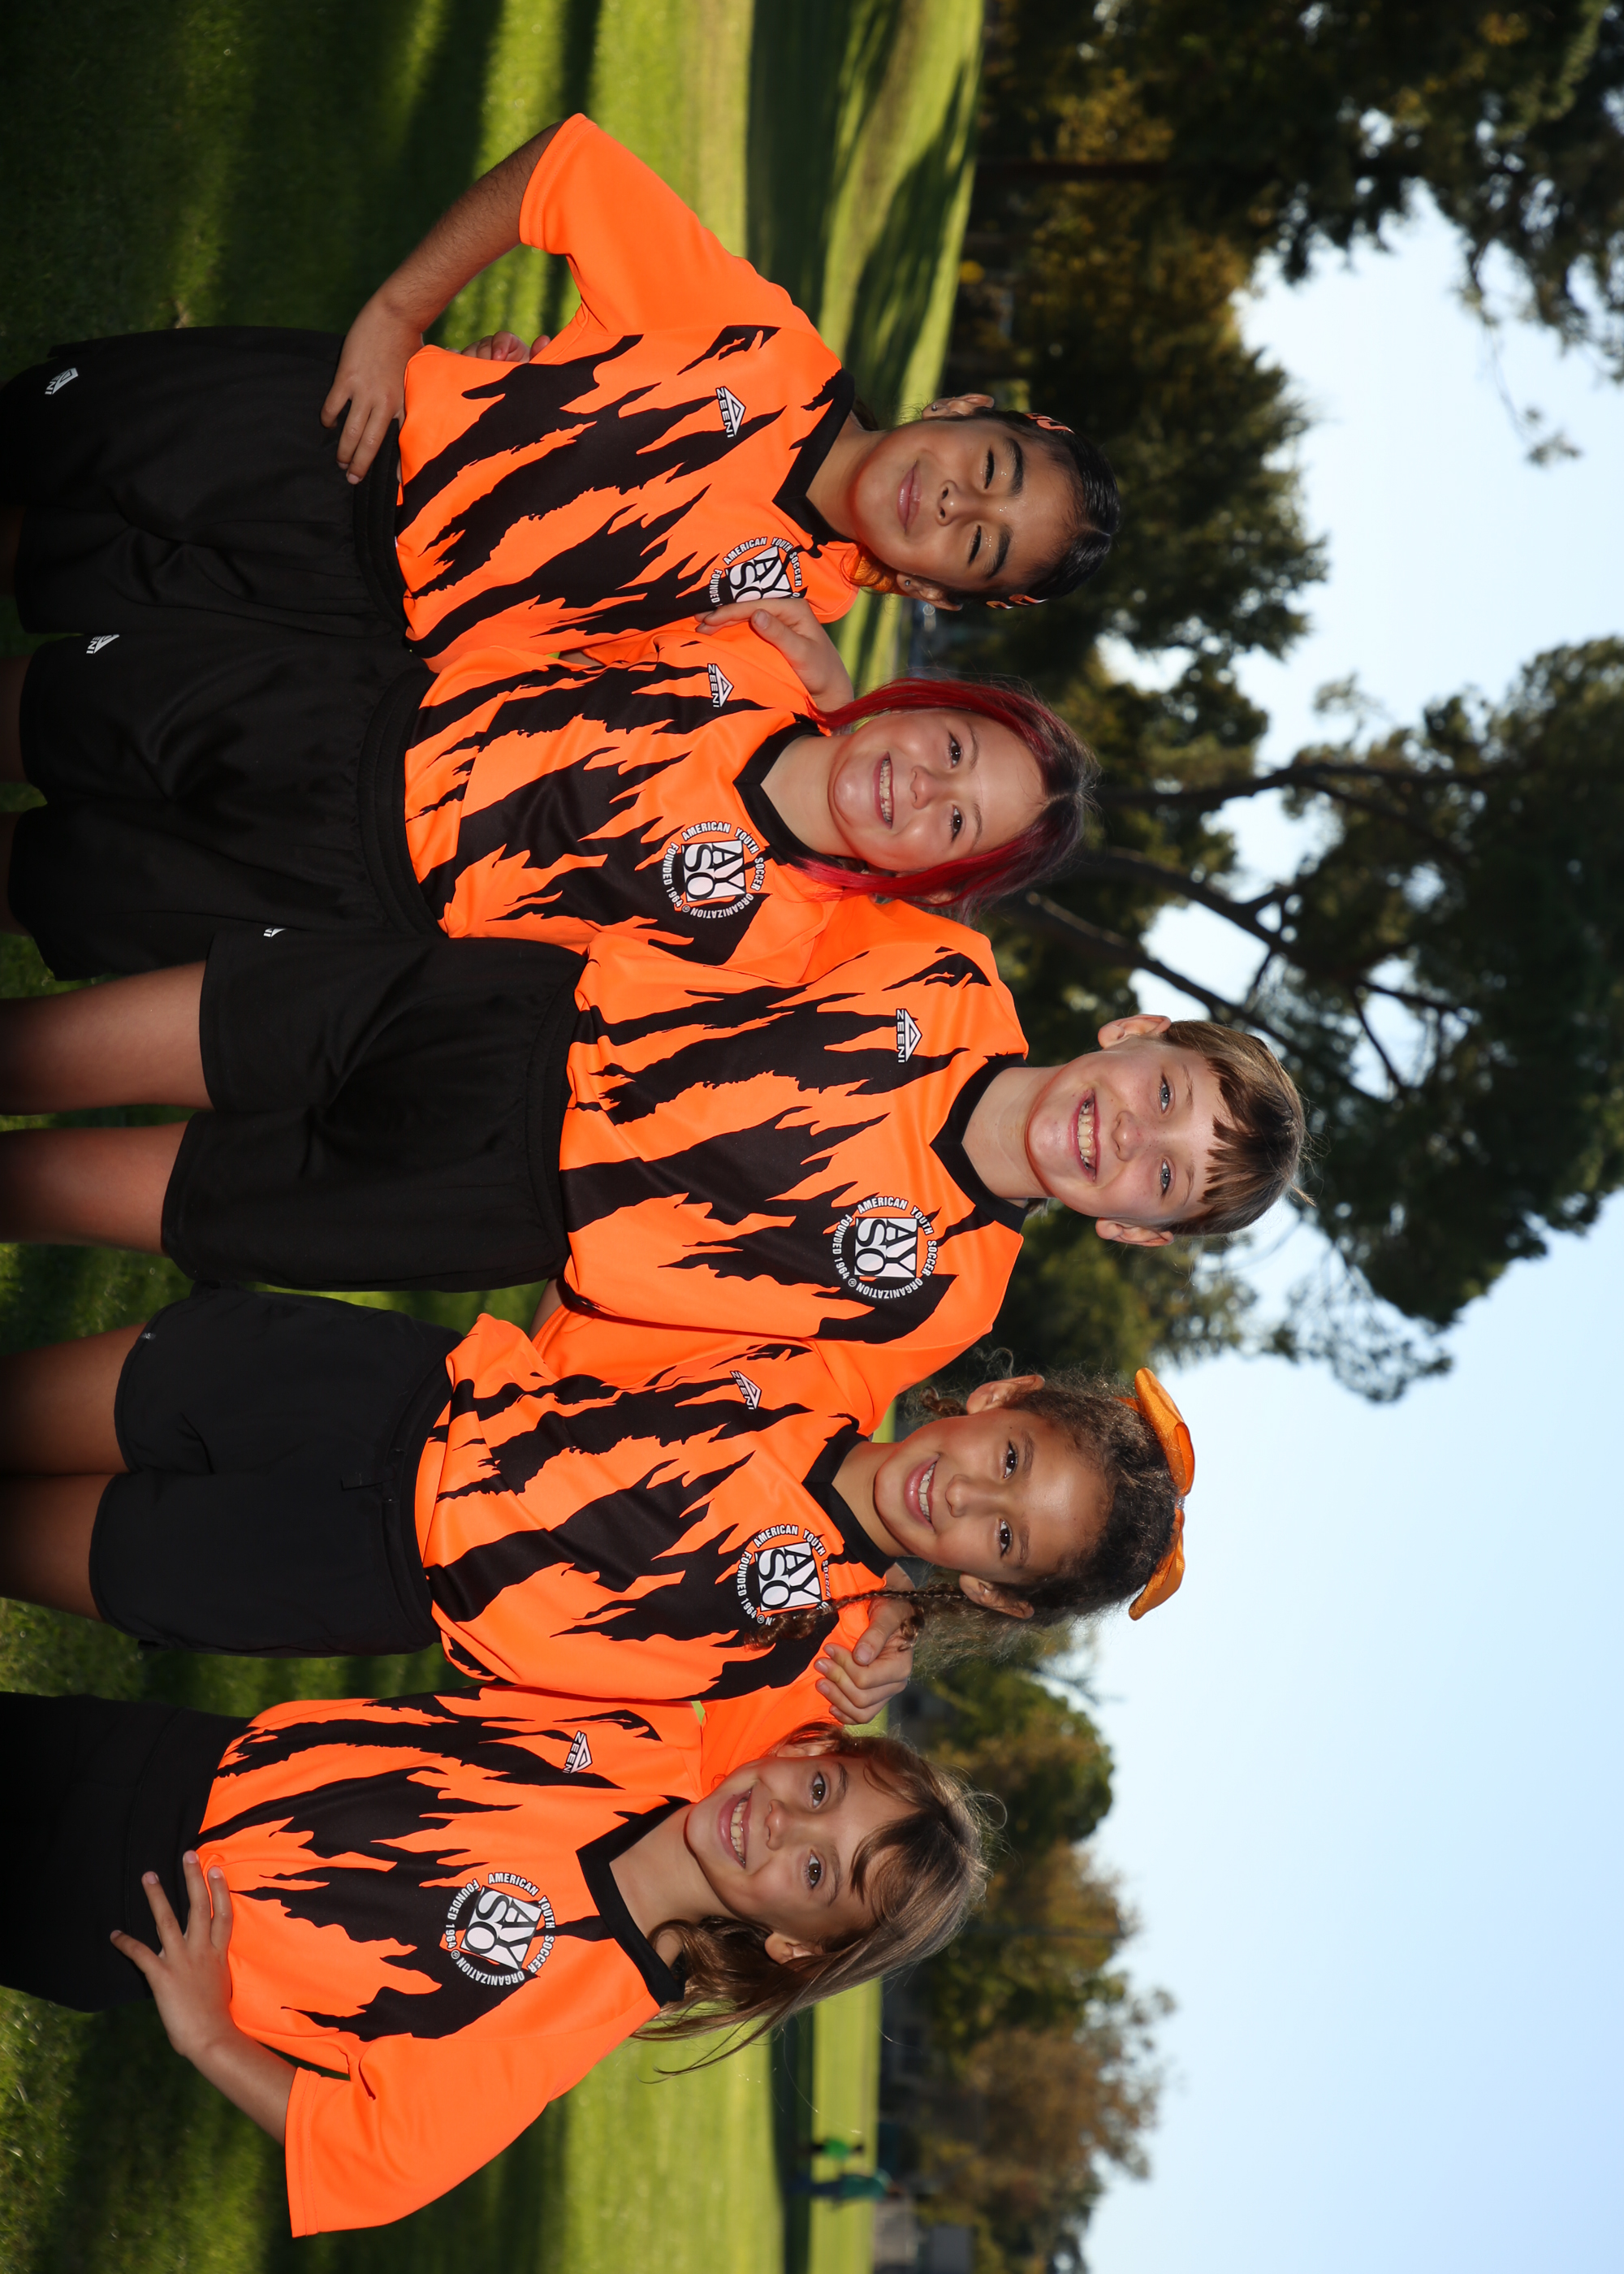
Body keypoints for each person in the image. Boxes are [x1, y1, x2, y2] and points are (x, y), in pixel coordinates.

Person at [0, 904, 1305, 1417]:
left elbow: (767, 1412)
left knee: (65, 1190)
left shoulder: (946, 1299)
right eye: (1167, 1095)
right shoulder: (946, 968)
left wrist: (852, 1638)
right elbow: (736, 887)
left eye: (1164, 1178)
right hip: (501, 1017)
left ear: (1134, 1230)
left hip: (485, 1210)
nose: (1133, 1136)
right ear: (1132, 1033)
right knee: (48, 1053)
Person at [0, 117, 1120, 671]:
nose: (956, 504)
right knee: (50, 439)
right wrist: (398, 314)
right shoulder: (767, 344)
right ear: (961, 414)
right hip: (345, 436)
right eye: (990, 471)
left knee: (57, 576)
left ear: (938, 591)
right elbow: (566, 172)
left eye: (980, 545)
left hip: (348, 626)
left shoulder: (791, 624)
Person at [0, 1681, 987, 2233]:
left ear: (795, 1943)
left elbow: (382, 2163)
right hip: (171, 1753)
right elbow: (797, 1615)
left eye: (816, 1873)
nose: (779, 1823)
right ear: (808, 1750)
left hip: (133, 1916)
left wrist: (212, 2039)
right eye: (819, 1791)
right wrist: (887, 1619)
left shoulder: (571, 2013)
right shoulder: (659, 1731)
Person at [0, 1284, 1194, 1692]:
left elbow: (736, 1811)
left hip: (361, 1581)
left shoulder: (815, 1649)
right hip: (375, 1389)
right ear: (999, 1398)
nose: (969, 1499)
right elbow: (623, 1260)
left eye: (1005, 1540)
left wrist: (858, 1680)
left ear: (993, 1593)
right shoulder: (819, 1346)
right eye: (1012, 1462)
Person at [0, 594, 1091, 981]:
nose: (921, 786)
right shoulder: (760, 652)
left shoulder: (765, 942)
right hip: (348, 708)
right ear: (921, 702)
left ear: (931, 878)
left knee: (61, 884)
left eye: (957, 822)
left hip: (342, 891)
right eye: (954, 747)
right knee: (60, 711)